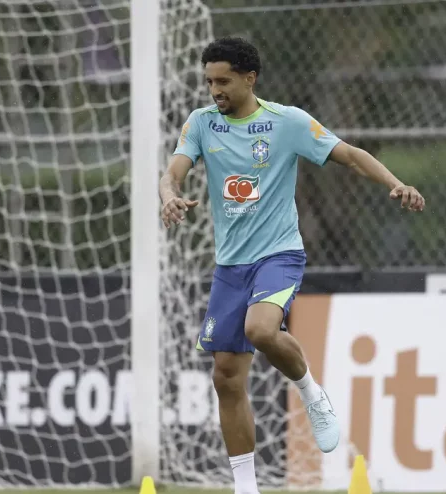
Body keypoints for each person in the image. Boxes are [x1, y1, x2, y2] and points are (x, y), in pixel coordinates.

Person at [159, 36, 425, 494]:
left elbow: (350, 155)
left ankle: (311, 394)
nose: (215, 90)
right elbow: (173, 173)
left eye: (223, 81)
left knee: (261, 330)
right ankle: (246, 488)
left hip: (278, 255)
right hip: (230, 266)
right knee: (225, 376)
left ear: (250, 78)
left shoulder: (287, 122)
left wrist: (395, 182)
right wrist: (168, 196)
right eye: (209, 82)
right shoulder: (201, 123)